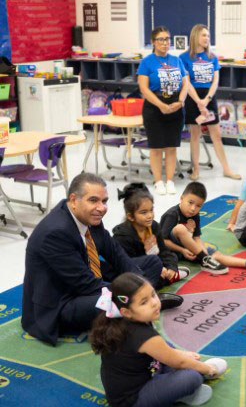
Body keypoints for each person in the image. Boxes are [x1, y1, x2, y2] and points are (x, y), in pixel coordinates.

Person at [21, 173, 182, 346]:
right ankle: (140, 303)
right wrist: (136, 292)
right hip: (63, 302)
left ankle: (137, 304)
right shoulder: (55, 233)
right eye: (93, 200)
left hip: (91, 277)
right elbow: (85, 284)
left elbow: (117, 254)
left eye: (104, 201)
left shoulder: (89, 216)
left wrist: (138, 286)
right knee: (105, 302)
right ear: (74, 200)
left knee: (152, 263)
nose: (101, 208)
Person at [90, 273, 227, 407]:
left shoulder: (123, 320)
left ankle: (173, 387)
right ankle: (181, 393)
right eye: (144, 302)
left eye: (153, 294)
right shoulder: (141, 335)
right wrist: (208, 369)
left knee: (167, 347)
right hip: (133, 399)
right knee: (193, 377)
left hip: (143, 374)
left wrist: (180, 354)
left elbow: (164, 352)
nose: (154, 303)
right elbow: (179, 362)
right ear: (127, 312)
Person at [160, 181, 246, 274]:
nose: (193, 208)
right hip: (172, 251)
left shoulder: (195, 215)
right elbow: (162, 242)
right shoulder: (172, 214)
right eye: (190, 203)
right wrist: (182, 250)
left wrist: (202, 251)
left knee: (217, 255)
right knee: (180, 228)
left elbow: (197, 238)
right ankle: (205, 259)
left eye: (198, 206)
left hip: (190, 249)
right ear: (181, 198)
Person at [179, 24, 240, 181]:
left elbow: (215, 81)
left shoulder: (212, 57)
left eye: (208, 35)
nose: (207, 38)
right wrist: (198, 102)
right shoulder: (184, 58)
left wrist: (206, 100)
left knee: (216, 135)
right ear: (195, 37)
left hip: (209, 97)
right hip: (193, 98)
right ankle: (196, 170)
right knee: (195, 135)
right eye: (204, 35)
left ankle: (227, 169)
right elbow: (187, 82)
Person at [137, 26, 189, 196]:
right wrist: (161, 105)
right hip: (154, 108)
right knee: (156, 147)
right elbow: (144, 89)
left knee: (171, 146)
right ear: (153, 42)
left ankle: (170, 181)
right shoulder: (147, 62)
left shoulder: (176, 60)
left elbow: (185, 83)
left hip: (175, 106)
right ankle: (158, 181)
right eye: (161, 39)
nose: (165, 43)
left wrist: (180, 101)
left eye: (167, 39)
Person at [113, 183, 190, 285]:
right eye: (144, 212)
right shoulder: (122, 236)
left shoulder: (154, 226)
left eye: (151, 210)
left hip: (153, 266)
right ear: (130, 216)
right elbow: (127, 266)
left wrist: (171, 267)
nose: (150, 215)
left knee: (171, 258)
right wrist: (159, 268)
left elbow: (164, 251)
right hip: (131, 272)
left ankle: (168, 276)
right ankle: (166, 279)